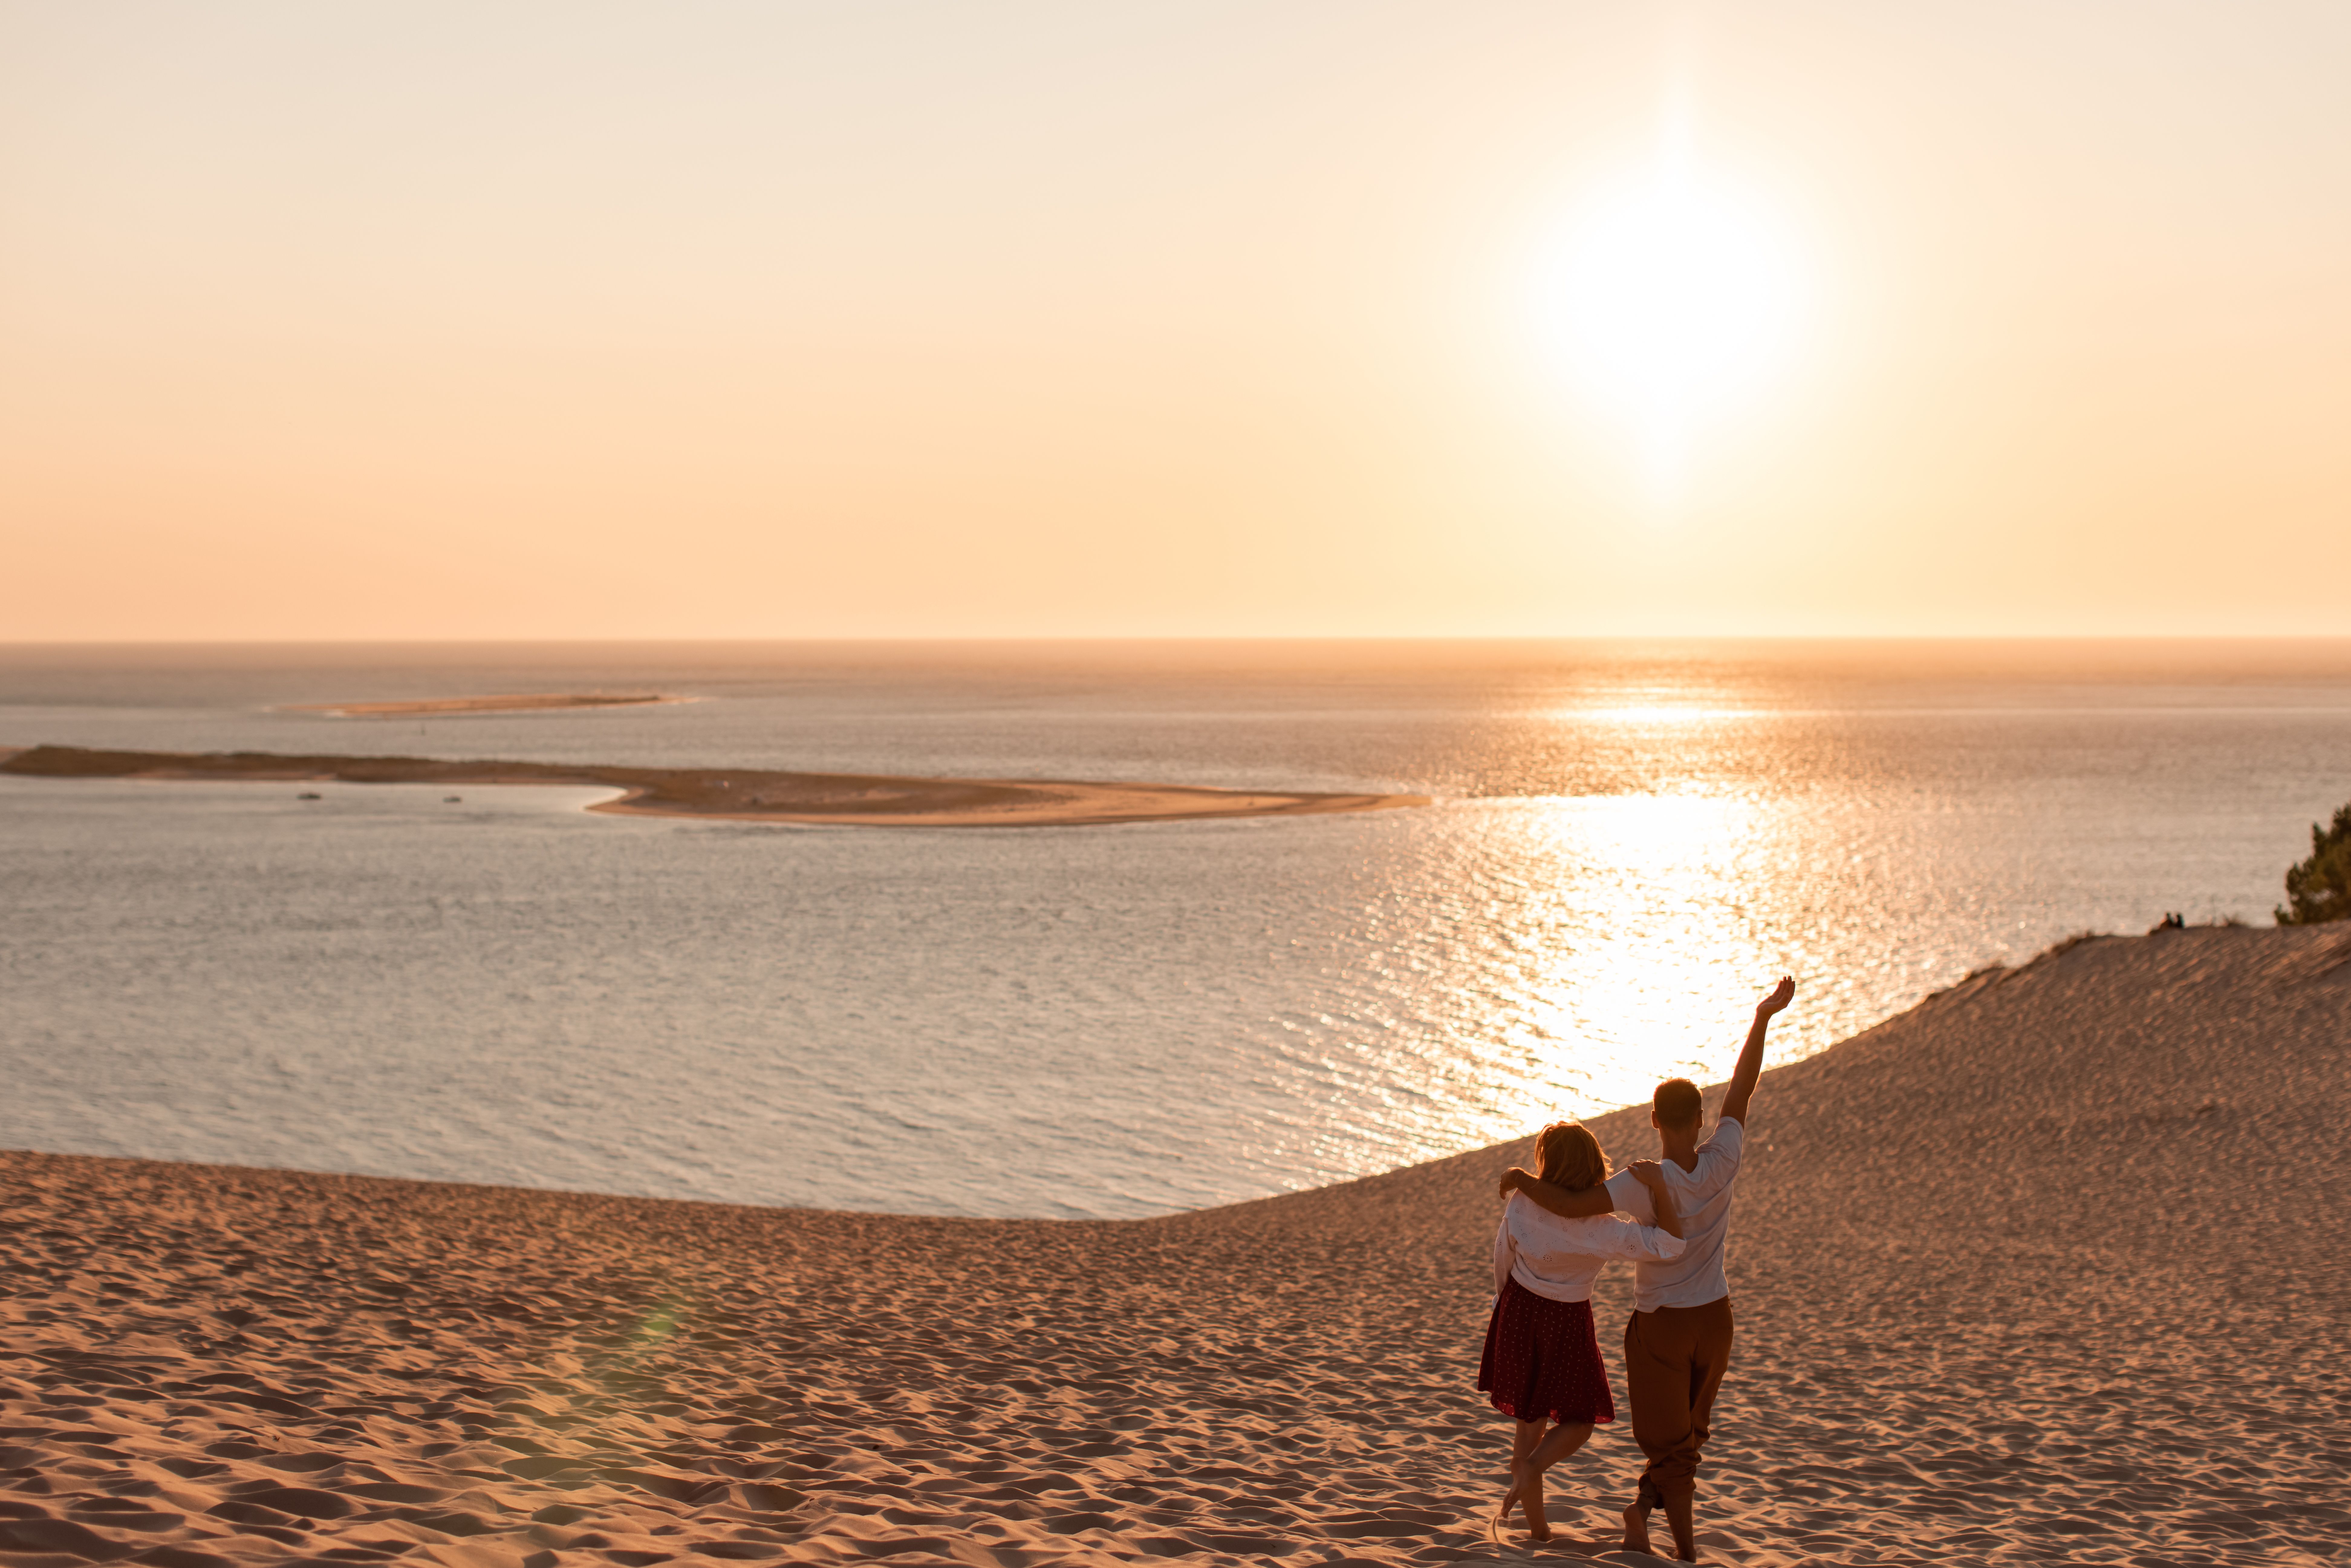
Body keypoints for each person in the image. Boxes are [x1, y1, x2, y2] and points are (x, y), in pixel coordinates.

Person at [1497, 976, 1796, 1563]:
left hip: (1663, 1323)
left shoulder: (1638, 1182)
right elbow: (1745, 1088)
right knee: (1690, 1436)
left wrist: (1523, 1180)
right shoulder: (1723, 1158)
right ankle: (1642, 1513)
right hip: (1717, 1317)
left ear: (1654, 1118)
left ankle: (1682, 1550)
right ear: (1700, 1117)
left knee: (1672, 1443)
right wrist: (1763, 1019)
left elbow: (1573, 1205)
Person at [1478, 1120, 1686, 1544]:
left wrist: (1504, 1306)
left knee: (1529, 1421)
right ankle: (1534, 1472)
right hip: (1568, 1320)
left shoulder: (1522, 1202)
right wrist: (1659, 1187)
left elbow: (1503, 1256)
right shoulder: (1604, 1229)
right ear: (1593, 1165)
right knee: (1580, 1421)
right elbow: (1671, 1245)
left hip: (1519, 1310)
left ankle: (1537, 1529)